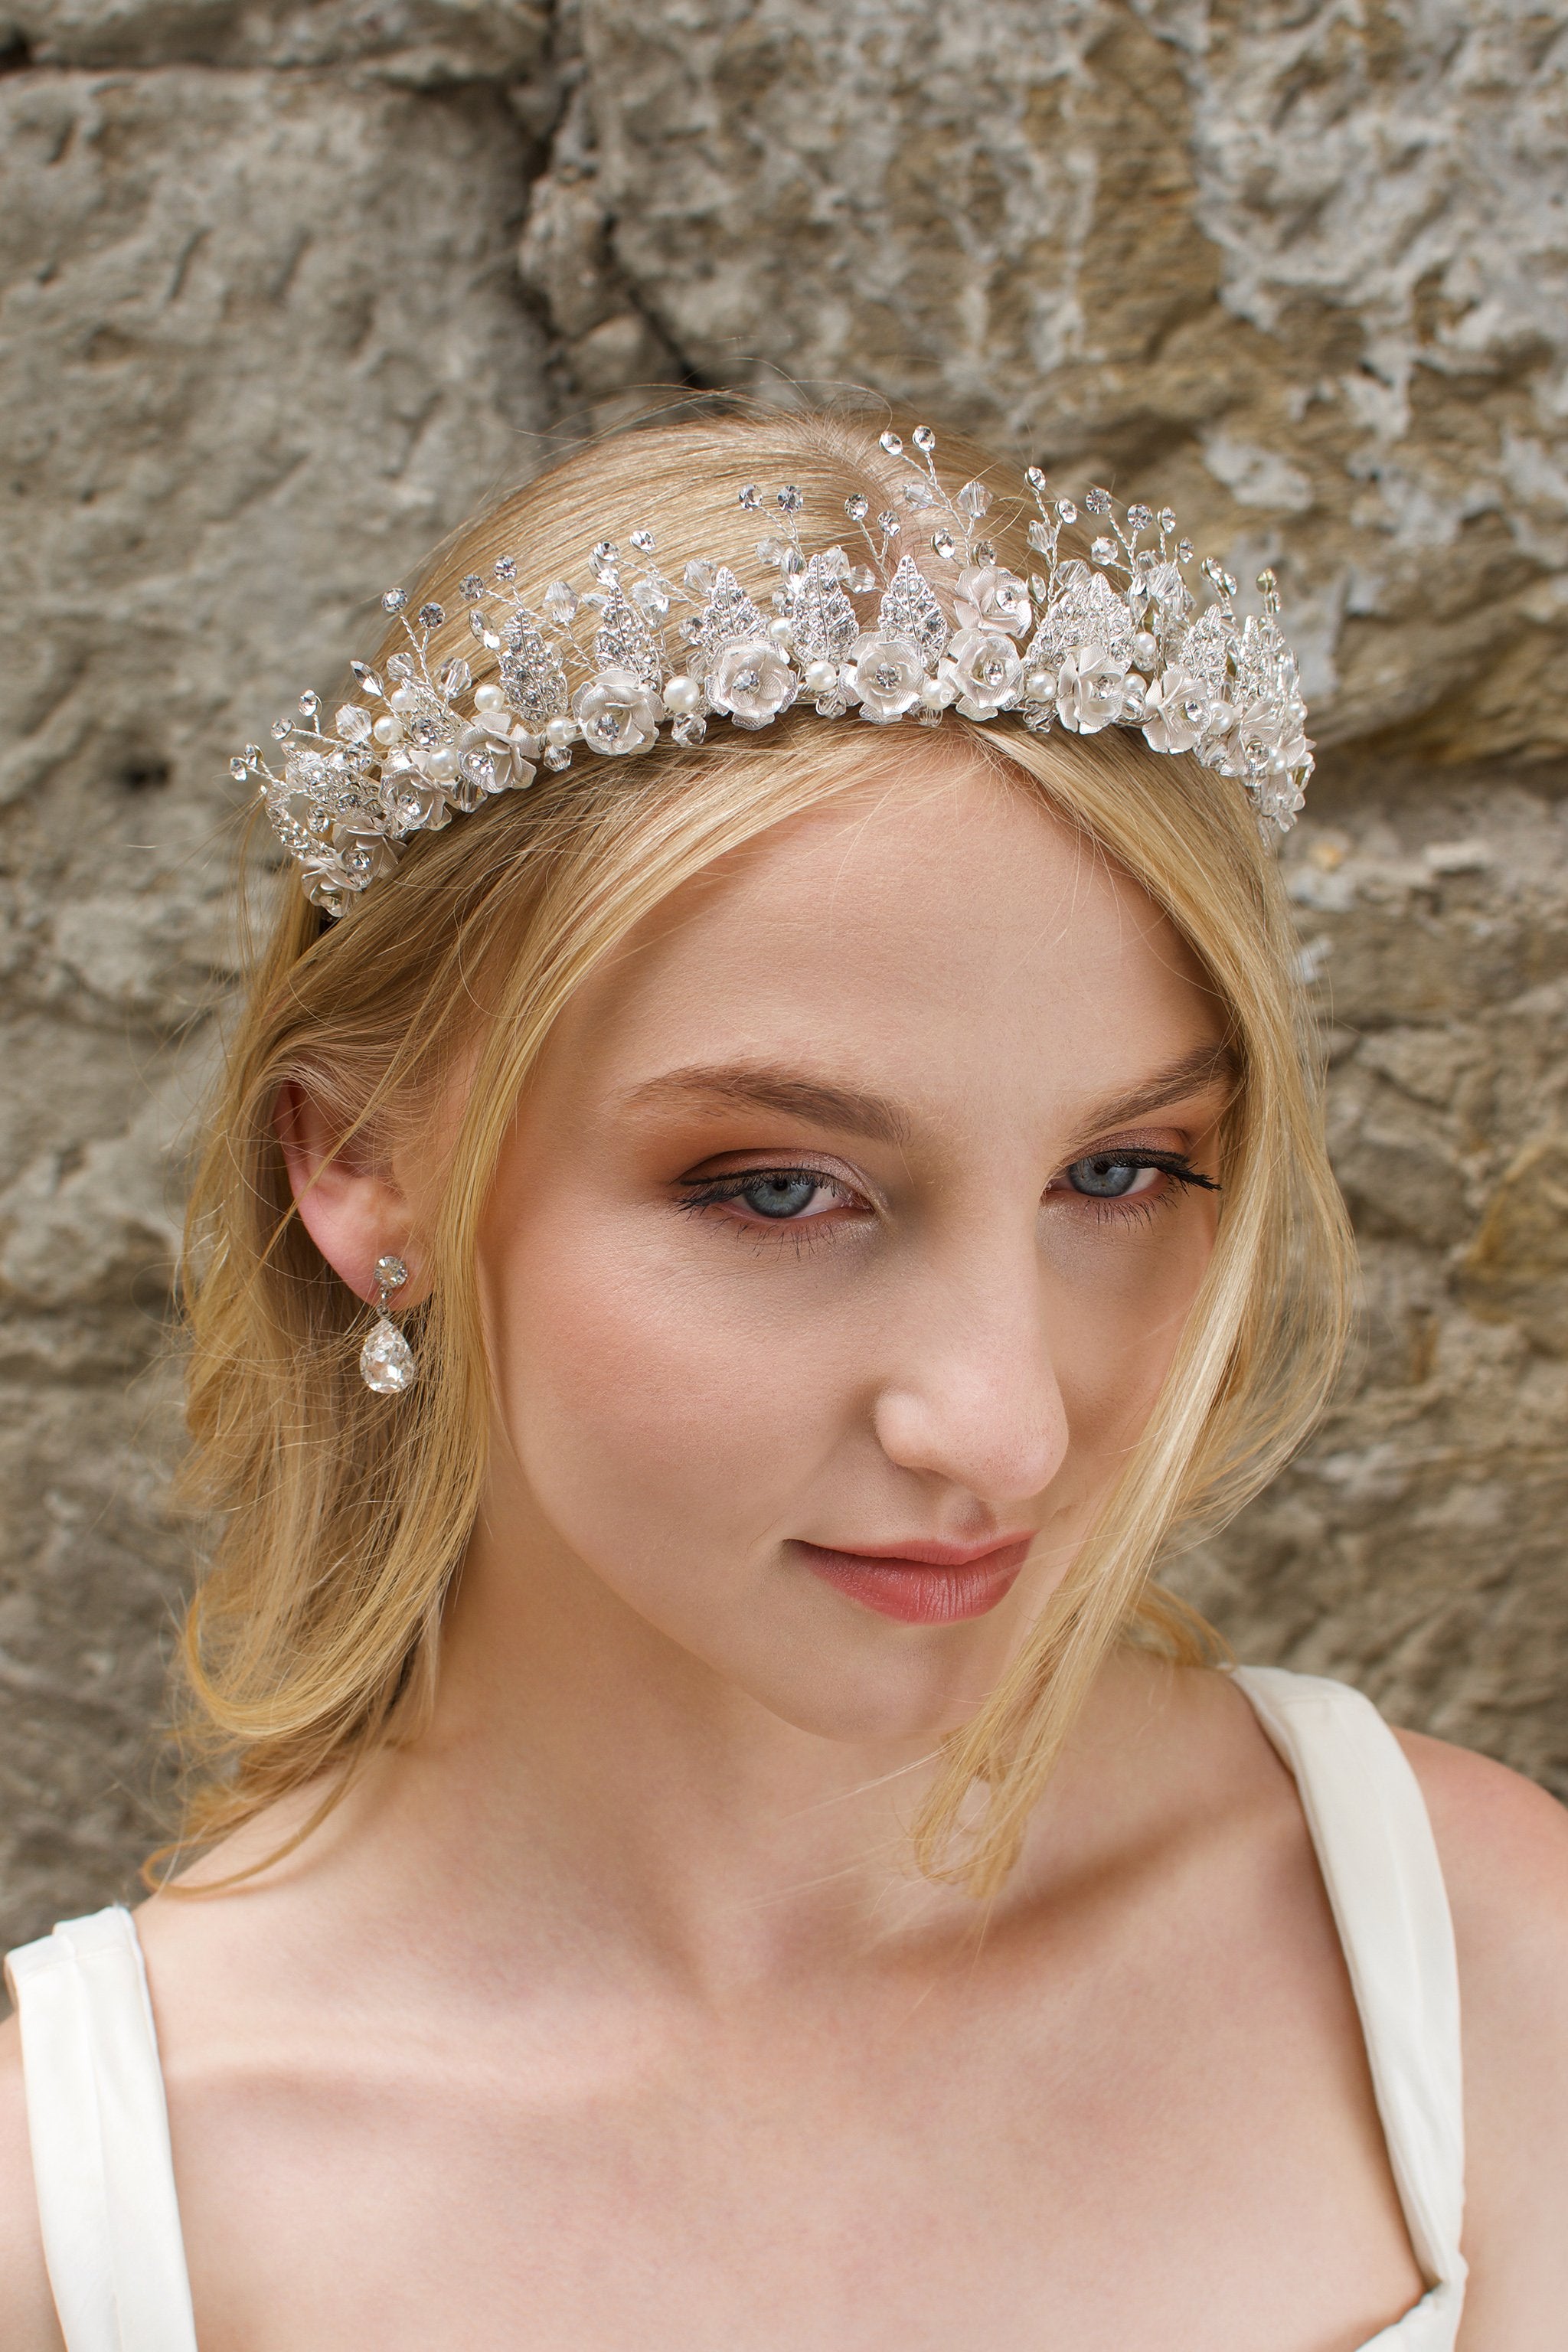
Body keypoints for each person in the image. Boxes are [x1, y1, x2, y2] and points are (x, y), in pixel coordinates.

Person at [2, 403, 1564, 2350]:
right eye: (778, 1188)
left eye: (1121, 1172)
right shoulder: (83, 2228)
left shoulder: (1476, 1964)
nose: (1007, 1422)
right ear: (360, 1167)